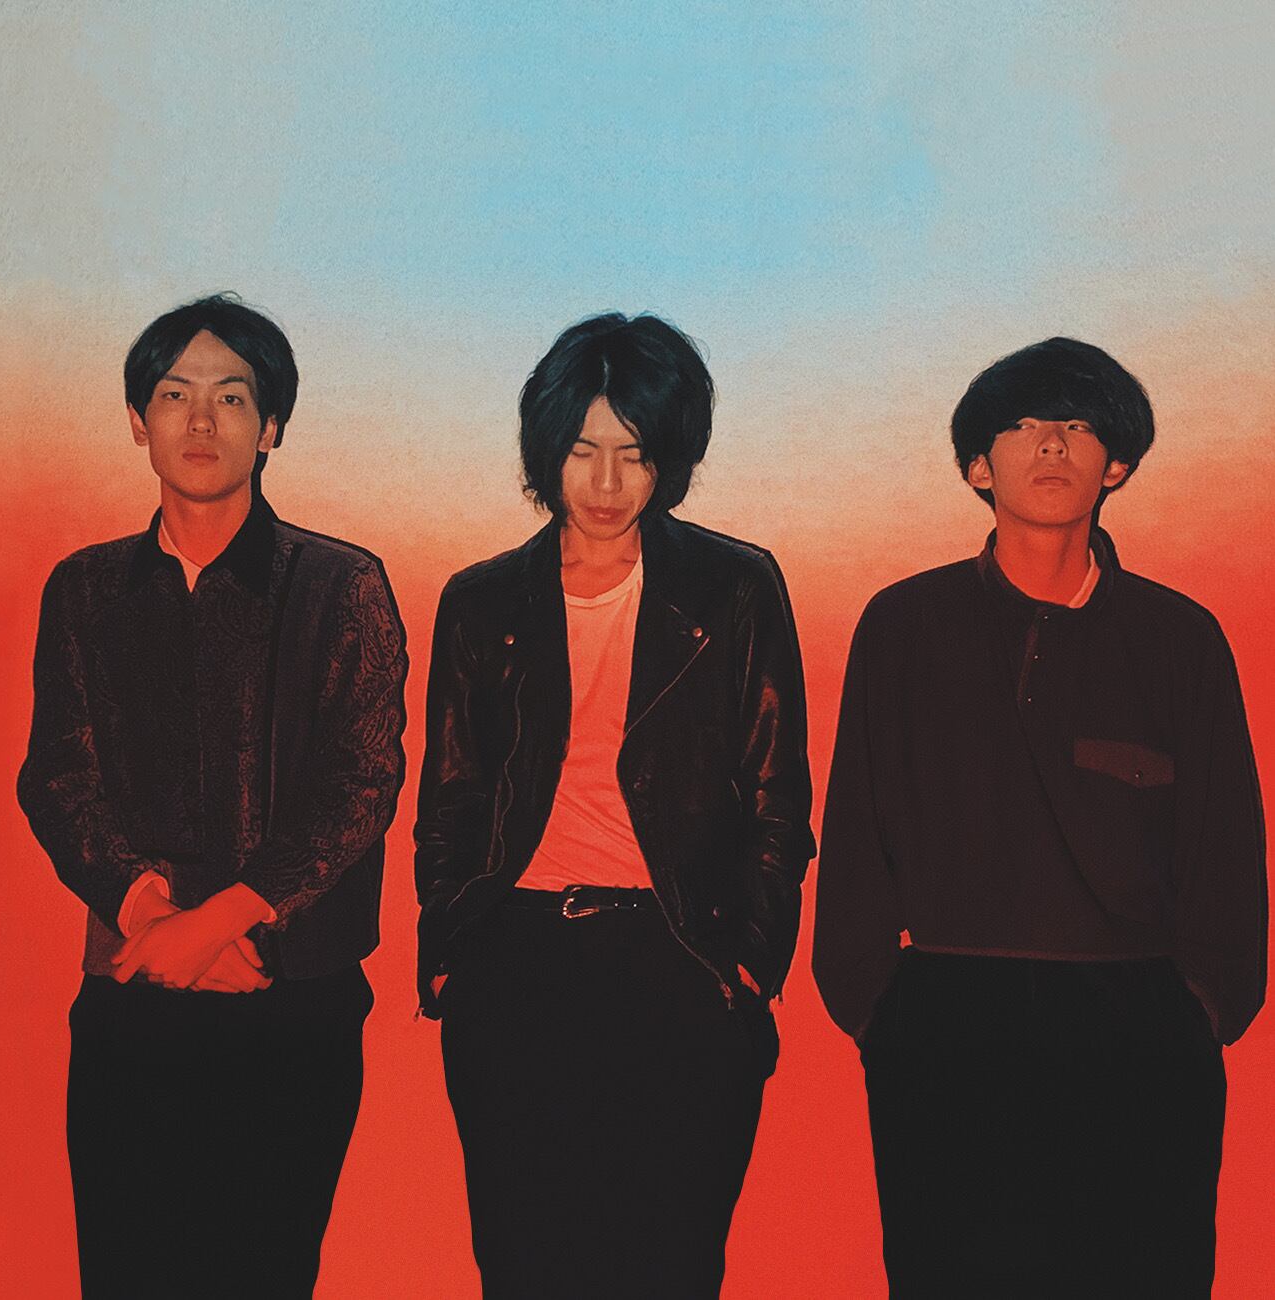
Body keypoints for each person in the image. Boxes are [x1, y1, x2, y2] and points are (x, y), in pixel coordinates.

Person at [812, 336, 1266, 1298]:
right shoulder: (903, 625)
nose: (1052, 444)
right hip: (946, 1025)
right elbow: (853, 832)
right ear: (979, 466)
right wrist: (882, 1010)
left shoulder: (1179, 638)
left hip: (1139, 1028)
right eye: (1021, 426)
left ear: (1118, 464)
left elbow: (1227, 845)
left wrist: (1201, 1008)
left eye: (1078, 425)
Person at [415, 312, 814, 1298]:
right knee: (525, 1265)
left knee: (668, 1266)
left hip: (678, 954)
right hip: (516, 961)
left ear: (669, 457)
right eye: (582, 450)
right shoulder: (481, 600)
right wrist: (457, 949)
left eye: (633, 454)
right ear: (546, 448)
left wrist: (750, 961)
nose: (604, 482)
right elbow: (451, 796)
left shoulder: (733, 587)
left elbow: (778, 794)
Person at [17, 294, 408, 1299]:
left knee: (261, 1275)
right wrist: (152, 918)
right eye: (174, 395)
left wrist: (225, 920)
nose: (201, 420)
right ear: (137, 420)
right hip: (132, 986)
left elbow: (361, 781)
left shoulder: (342, 585)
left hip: (291, 1000)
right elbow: (58, 775)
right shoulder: (86, 589)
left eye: (232, 397)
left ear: (271, 425)